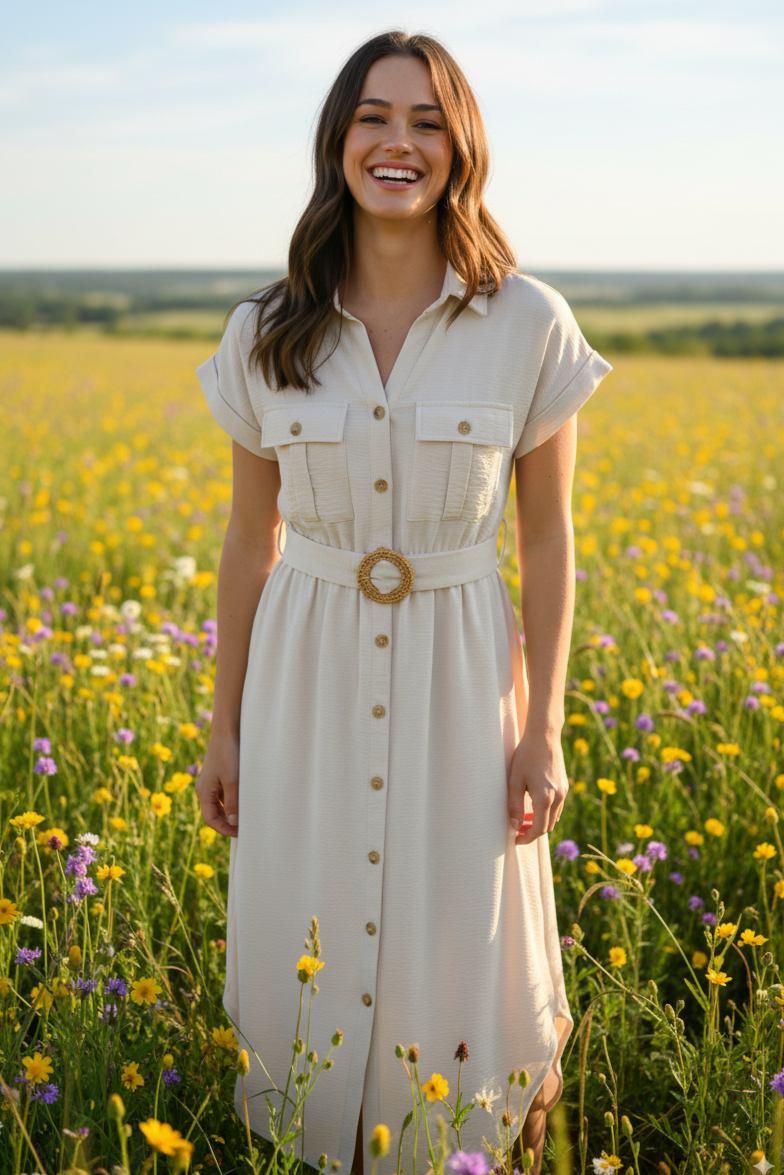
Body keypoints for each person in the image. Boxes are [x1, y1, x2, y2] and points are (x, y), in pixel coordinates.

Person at [195, 29, 611, 1175]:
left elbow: (545, 536)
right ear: (338, 142)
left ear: (459, 149)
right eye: (376, 116)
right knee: (304, 921)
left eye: (428, 122)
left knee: (458, 931)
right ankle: (313, 1144)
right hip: (303, 683)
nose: (399, 141)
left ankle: (455, 1151)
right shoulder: (265, 331)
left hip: (465, 680)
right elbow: (248, 536)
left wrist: (542, 728)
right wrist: (222, 723)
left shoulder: (527, 321)